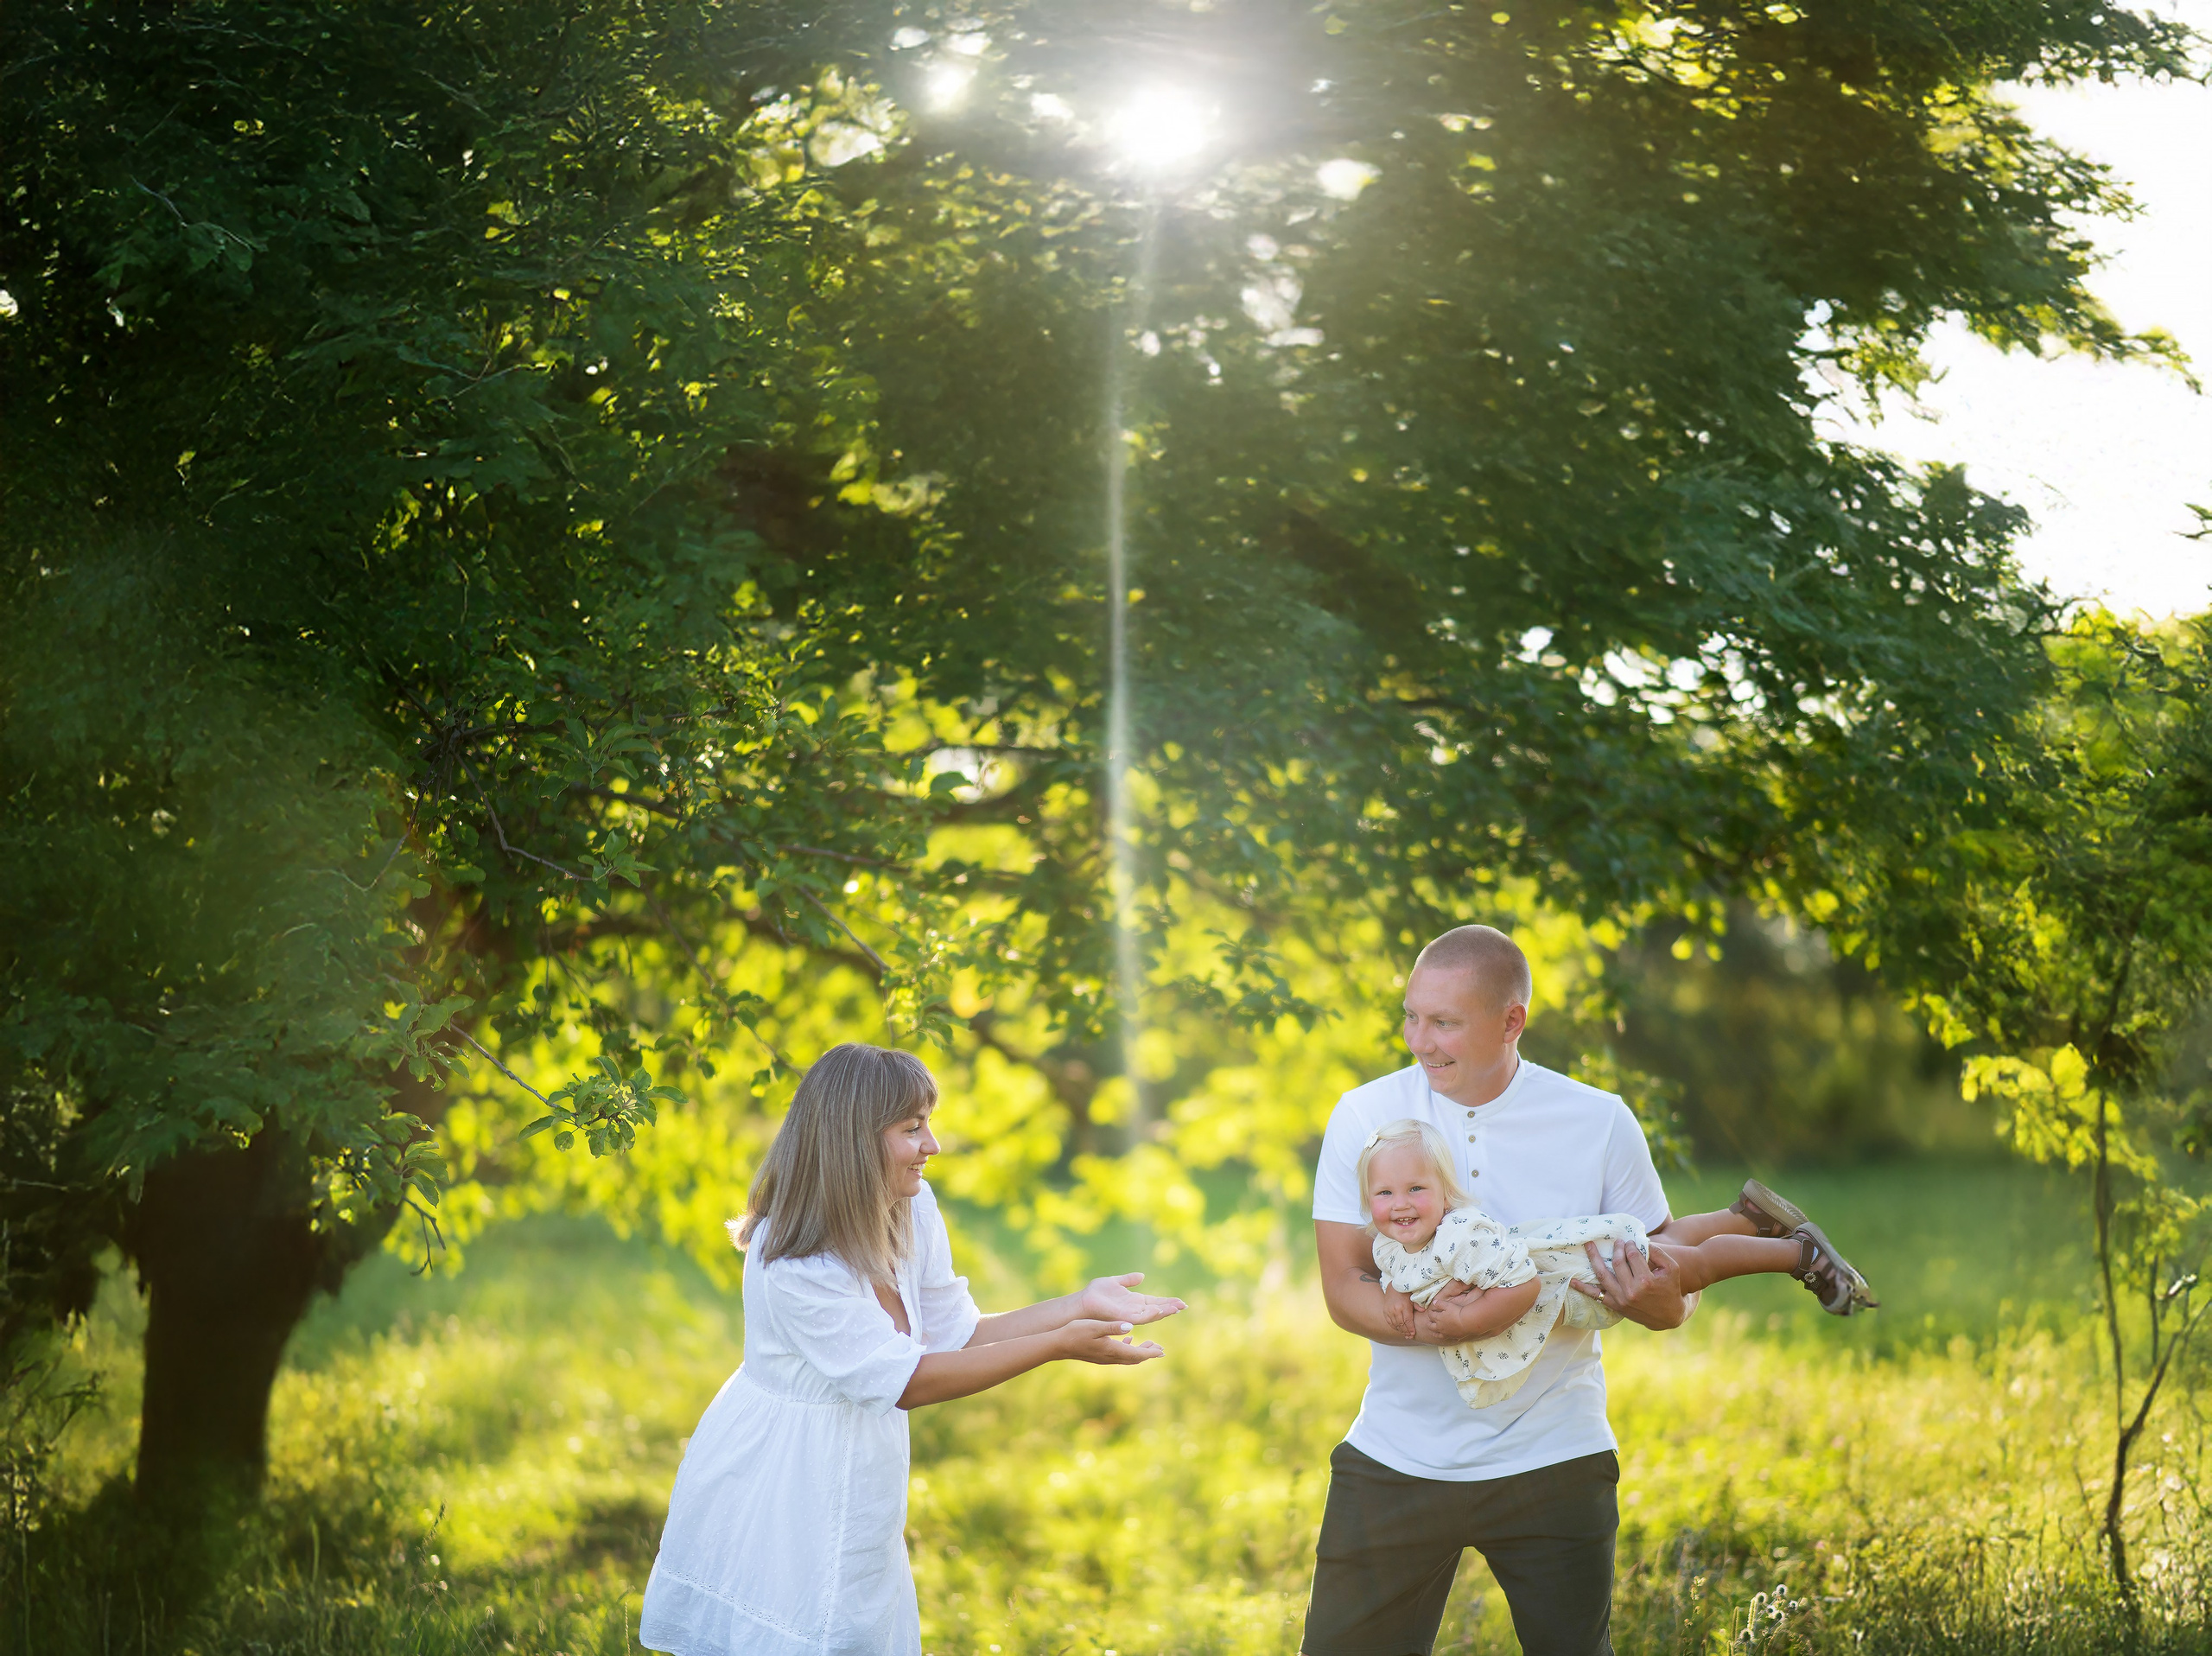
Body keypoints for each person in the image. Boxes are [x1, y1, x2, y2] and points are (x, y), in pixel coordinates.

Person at [1303, 923, 1859, 1656]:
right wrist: (1431, 1324)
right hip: (1398, 1461)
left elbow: (1672, 1291)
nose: (1419, 1039)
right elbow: (1345, 1287)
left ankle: (1778, 1247)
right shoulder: (1365, 1116)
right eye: (1411, 1015)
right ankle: (1759, 1229)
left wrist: (1654, 1305)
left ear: (1511, 1023)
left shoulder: (1598, 1121)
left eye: (1443, 1022)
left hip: (1554, 1462)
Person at [639, 1042, 1185, 1656]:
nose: (934, 1145)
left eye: (929, 1122)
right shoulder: (793, 1259)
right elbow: (907, 1381)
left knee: (855, 1626)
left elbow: (957, 1334)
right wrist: (1056, 1346)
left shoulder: (909, 1206)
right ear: (854, 1140)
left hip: (860, 1470)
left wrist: (1077, 1305)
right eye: (912, 1127)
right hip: (781, 1482)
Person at [1358, 1117, 1874, 1409]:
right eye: (1384, 1193)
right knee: (1669, 1242)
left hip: (1585, 1273)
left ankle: (1795, 1254)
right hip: (1584, 1262)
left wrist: (1466, 1322)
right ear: (1368, 1202)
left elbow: (1524, 1288)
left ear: (1446, 1194)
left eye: (1416, 1190)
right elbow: (1399, 1269)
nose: (1400, 1204)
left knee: (1694, 1267)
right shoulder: (1390, 1242)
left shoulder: (1459, 1237)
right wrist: (1394, 1294)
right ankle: (1746, 1217)